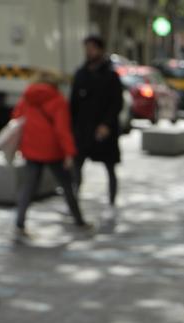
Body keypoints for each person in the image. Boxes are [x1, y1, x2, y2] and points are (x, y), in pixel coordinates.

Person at [11, 70, 89, 238]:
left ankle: (19, 223)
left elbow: (16, 118)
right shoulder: (57, 100)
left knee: (28, 187)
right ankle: (79, 220)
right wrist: (69, 152)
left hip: (31, 148)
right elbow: (63, 130)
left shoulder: (27, 97)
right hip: (53, 150)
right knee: (67, 185)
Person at [69, 35, 124, 208]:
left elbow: (116, 103)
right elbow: (73, 103)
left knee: (109, 167)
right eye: (87, 48)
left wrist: (106, 124)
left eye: (92, 48)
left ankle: (112, 199)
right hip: (83, 129)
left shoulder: (111, 75)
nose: (89, 51)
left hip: (103, 129)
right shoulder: (81, 74)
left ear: (100, 50)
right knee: (77, 166)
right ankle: (74, 199)